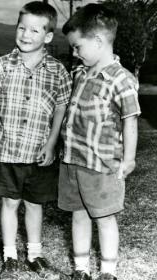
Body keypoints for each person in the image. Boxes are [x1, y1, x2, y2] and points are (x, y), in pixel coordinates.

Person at [0, 1, 72, 278]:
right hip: (8, 148)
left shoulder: (58, 71)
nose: (25, 35)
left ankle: (35, 254)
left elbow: (60, 110)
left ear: (47, 37)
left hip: (38, 151)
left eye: (34, 30)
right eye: (21, 28)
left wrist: (51, 144)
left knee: (34, 204)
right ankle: (10, 255)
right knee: (9, 203)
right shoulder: (2, 66)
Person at [59, 4, 141, 280]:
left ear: (97, 41)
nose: (74, 53)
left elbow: (130, 120)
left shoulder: (122, 79)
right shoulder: (80, 75)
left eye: (77, 46)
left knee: (104, 218)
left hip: (102, 164)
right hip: (73, 160)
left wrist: (128, 159)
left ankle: (107, 272)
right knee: (78, 215)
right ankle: (80, 270)